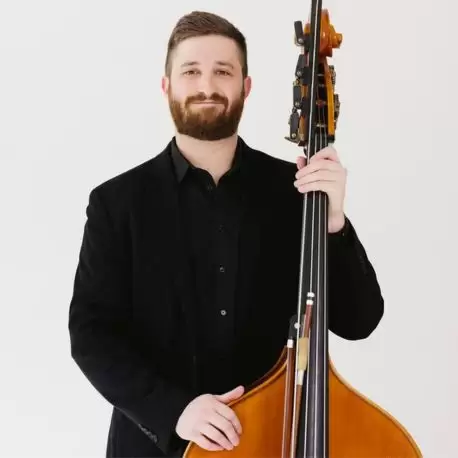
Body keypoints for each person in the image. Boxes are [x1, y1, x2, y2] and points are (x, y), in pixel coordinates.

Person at [68, 10, 384, 458]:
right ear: (167, 86)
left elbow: (360, 321)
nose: (207, 86)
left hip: (274, 441)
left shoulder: (297, 193)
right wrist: (175, 410)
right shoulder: (116, 203)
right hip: (155, 448)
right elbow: (91, 336)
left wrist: (334, 222)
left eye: (223, 71)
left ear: (245, 87)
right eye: (191, 71)